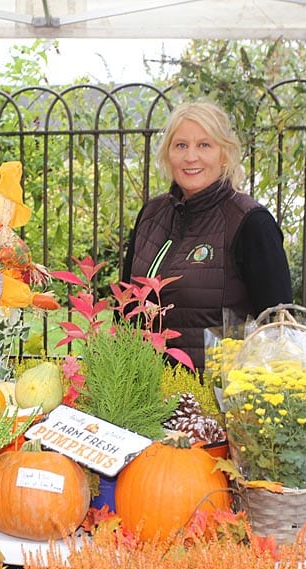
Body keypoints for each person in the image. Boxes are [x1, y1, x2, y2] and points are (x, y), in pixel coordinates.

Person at [122, 101, 293, 371]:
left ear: (224, 154)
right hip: (141, 396)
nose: (191, 157)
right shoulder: (151, 215)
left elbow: (279, 328)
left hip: (215, 397)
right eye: (181, 145)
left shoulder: (251, 223)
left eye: (204, 145)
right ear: (168, 154)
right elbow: (125, 309)